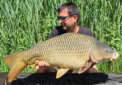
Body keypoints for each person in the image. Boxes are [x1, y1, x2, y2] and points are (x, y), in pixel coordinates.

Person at [35, 2, 98, 74]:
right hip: (58, 67)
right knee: (40, 69)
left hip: (79, 67)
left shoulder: (86, 33)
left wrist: (89, 64)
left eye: (63, 18)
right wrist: (44, 64)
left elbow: (93, 58)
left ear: (75, 18)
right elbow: (46, 51)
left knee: (93, 70)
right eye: (59, 18)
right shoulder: (56, 31)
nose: (60, 21)